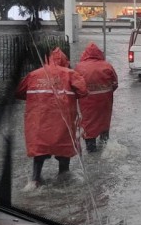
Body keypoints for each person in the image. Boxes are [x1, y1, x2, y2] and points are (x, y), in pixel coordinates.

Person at [15, 47, 88, 186]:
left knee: (39, 151)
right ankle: (62, 179)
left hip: (39, 124)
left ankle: (35, 180)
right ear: (65, 61)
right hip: (62, 124)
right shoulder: (70, 74)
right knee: (63, 153)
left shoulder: (34, 75)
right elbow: (84, 91)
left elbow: (18, 92)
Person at [75, 43, 119, 153]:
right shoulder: (107, 65)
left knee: (88, 124)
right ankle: (104, 145)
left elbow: (75, 86)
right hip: (105, 102)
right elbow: (115, 83)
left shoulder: (79, 67)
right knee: (104, 123)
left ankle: (91, 149)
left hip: (87, 102)